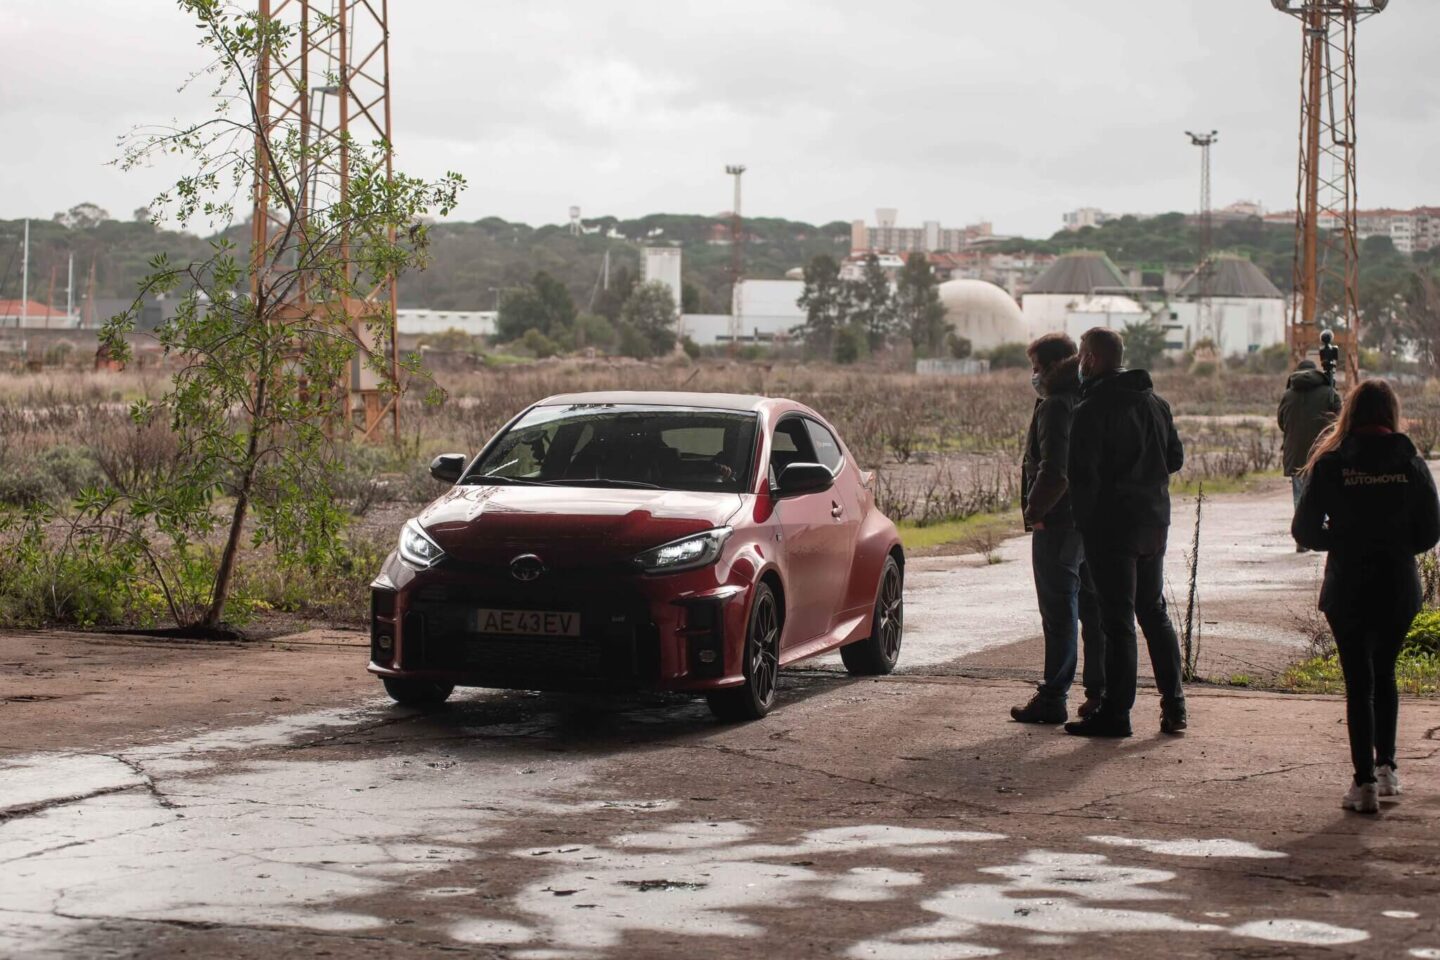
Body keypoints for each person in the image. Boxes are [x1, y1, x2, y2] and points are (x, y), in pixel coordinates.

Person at [1292, 379, 1440, 814]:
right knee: (1386, 674)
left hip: (1348, 584)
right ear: (1391, 413)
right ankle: (1387, 769)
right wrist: (1392, 544)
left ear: (1350, 412)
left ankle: (1363, 785)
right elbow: (1431, 530)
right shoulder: (1410, 460)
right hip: (1397, 584)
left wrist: (1341, 540)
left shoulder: (1333, 463)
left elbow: (1303, 530)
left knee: (1358, 683)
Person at [1063, 327, 1187, 738]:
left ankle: (1116, 713)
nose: (1078, 362)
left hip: (1112, 529)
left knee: (1117, 621)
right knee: (1153, 612)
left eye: (1081, 354)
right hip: (1154, 521)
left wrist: (1085, 526)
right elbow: (1174, 458)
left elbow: (1083, 479)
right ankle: (1175, 706)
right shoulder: (1156, 403)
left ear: (1093, 360)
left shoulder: (1091, 409)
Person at [1011, 333, 1106, 724]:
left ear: (1050, 367)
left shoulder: (1055, 405)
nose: (1033, 376)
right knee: (1092, 611)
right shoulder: (1089, 395)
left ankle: (1053, 696)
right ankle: (1098, 694)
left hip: (1058, 521)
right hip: (1088, 520)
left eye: (1035, 368)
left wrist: (1035, 510)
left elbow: (1055, 469)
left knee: (1059, 611)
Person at [1278, 359, 1342, 547]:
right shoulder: (1329, 393)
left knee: (1300, 498)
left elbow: (1282, 423)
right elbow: (1340, 423)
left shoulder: (1287, 395)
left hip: (1296, 455)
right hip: (1324, 453)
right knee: (1328, 494)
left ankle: (1302, 540)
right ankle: (1329, 537)